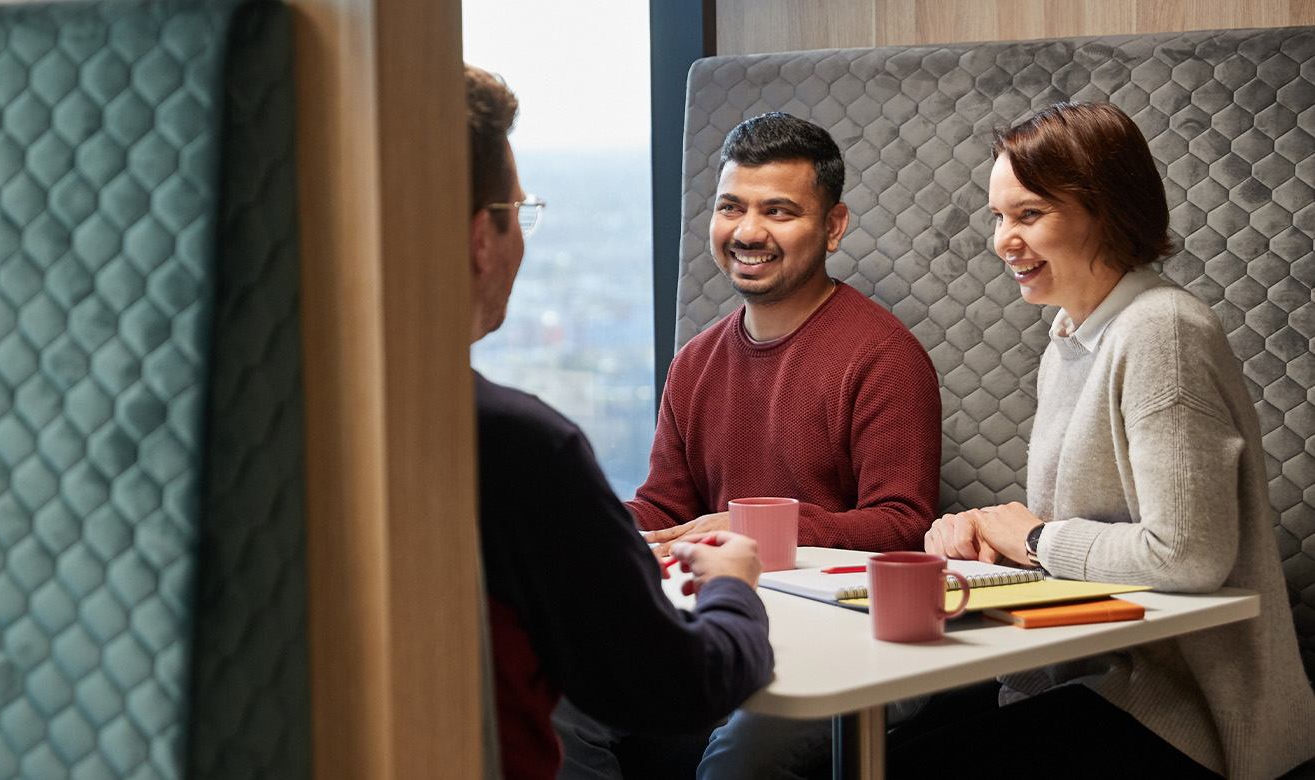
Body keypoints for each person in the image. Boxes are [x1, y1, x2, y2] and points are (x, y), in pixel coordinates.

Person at [911, 101, 1315, 779]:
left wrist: (1036, 539)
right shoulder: (1072, 338)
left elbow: (1186, 554)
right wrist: (993, 537)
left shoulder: (1162, 332)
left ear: (1107, 210)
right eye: (998, 217)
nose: (1002, 240)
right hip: (1099, 683)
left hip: (1184, 718)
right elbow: (1091, 537)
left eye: (1029, 215)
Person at [556, 112, 944, 780]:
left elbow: (904, 523)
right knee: (556, 703)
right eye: (731, 207)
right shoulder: (696, 361)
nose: (748, 231)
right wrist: (579, 528)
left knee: (746, 753)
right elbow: (664, 504)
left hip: (852, 637)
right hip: (725, 622)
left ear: (834, 226)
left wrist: (754, 531)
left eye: (780, 211)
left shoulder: (884, 356)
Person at [465, 64, 775, 780]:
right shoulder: (519, 449)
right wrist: (734, 586)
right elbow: (681, 683)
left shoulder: (304, 422)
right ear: (484, 236)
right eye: (522, 211)